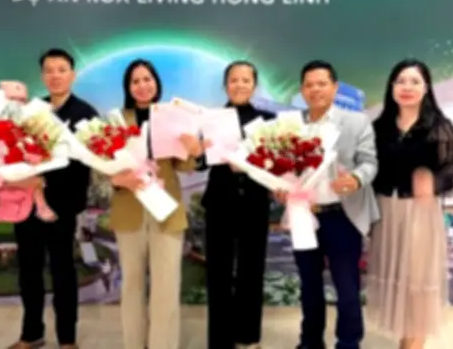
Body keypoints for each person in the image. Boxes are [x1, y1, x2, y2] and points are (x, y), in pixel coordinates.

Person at [279, 60, 380, 349]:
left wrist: (356, 179)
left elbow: (370, 162)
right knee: (309, 285)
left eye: (322, 84)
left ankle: (348, 342)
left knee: (347, 287)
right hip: (303, 215)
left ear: (334, 88)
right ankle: (310, 342)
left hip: (342, 216)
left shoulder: (356, 122)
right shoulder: (290, 125)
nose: (315, 90)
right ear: (302, 90)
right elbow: (280, 168)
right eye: (309, 85)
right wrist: (280, 188)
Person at [108, 59, 205, 349]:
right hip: (128, 211)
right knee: (132, 286)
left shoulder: (169, 117)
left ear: (156, 83)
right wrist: (118, 180)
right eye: (135, 81)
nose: (142, 86)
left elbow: (184, 165)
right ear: (128, 87)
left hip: (166, 210)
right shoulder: (116, 120)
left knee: (166, 287)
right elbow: (101, 166)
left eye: (147, 79)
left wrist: (194, 150)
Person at [9, 49, 98, 349]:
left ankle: (67, 339)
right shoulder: (32, 111)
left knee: (63, 273)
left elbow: (87, 162)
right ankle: (31, 333)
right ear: (42, 76)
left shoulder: (85, 113)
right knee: (29, 272)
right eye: (49, 70)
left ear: (72, 75)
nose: (55, 76)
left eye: (61, 70)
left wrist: (47, 182)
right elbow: (15, 152)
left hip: (63, 207)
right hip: (28, 204)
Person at [367, 59, 453, 349]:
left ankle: (413, 345)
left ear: (426, 88)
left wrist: (432, 182)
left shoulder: (439, 127)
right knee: (396, 280)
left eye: (415, 81)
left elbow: (449, 170)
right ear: (391, 87)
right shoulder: (379, 127)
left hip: (420, 212)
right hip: (386, 211)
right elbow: (370, 169)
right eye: (401, 81)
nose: (407, 87)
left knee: (417, 283)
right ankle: (404, 340)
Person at [198, 61, 274, 349]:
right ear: (225, 85)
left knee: (251, 270)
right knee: (218, 272)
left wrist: (253, 163)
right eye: (234, 79)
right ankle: (219, 340)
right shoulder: (211, 119)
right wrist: (198, 152)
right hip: (220, 202)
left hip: (255, 203)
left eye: (246, 80)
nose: (240, 84)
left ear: (254, 85)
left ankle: (248, 336)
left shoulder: (268, 120)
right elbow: (201, 162)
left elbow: (276, 162)